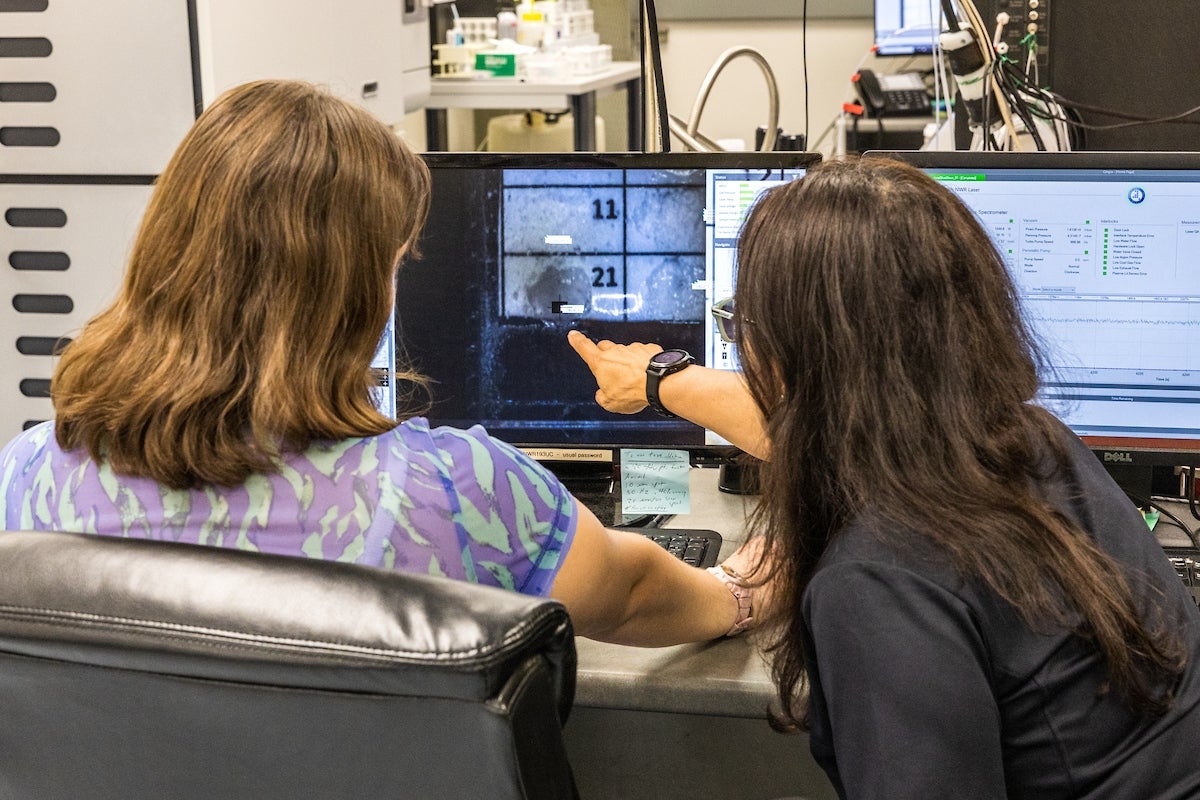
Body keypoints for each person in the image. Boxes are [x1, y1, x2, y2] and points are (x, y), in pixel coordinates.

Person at [0, 79, 752, 648]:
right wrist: (761, 580)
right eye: (394, 265)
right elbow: (639, 596)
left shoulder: (27, 475)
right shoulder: (462, 495)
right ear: (355, 293)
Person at [568, 156, 1200, 798]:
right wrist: (663, 383)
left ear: (801, 357)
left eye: (742, 328)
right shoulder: (1036, 442)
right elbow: (828, 426)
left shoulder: (876, 581)